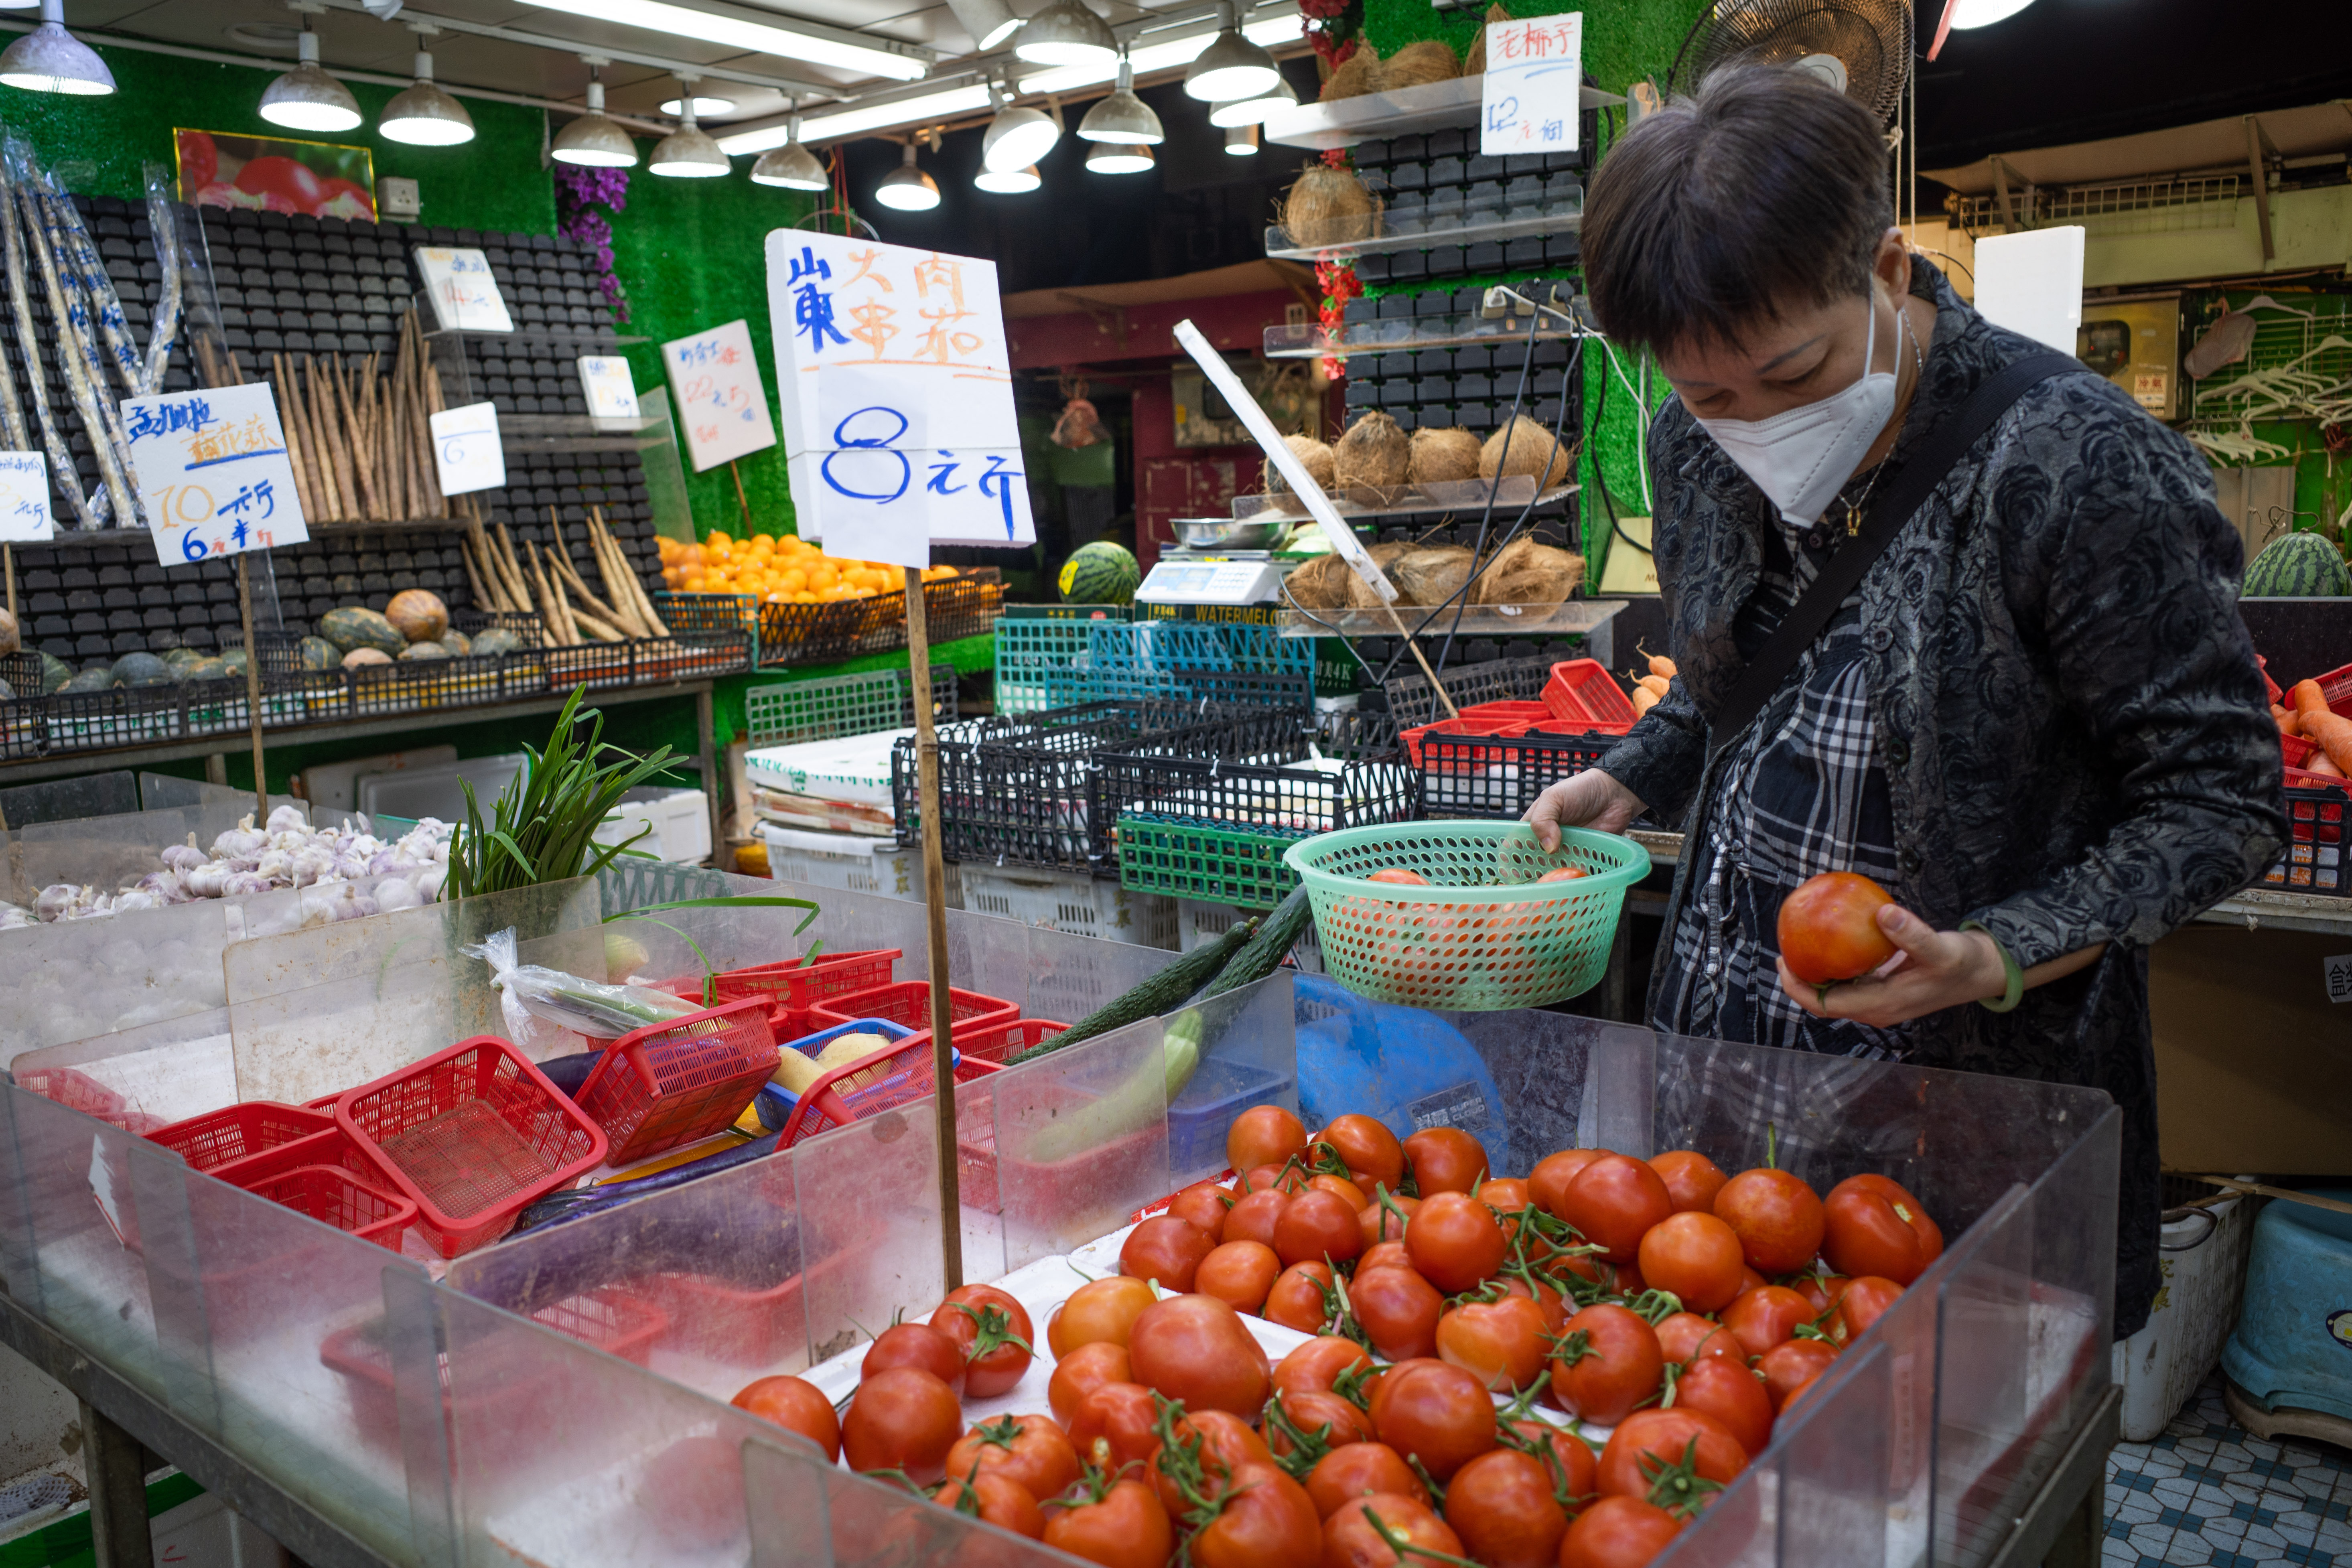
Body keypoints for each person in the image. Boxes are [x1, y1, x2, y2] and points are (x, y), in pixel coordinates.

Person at [1524, 65, 2284, 1337]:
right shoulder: (1690, 448)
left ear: (1883, 272)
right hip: (1725, 1057)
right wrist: (1637, 768)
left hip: (1968, 1099)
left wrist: (1998, 955)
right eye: (1707, 395)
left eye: (1793, 371)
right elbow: (1733, 674)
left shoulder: (2075, 460)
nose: (1752, 424)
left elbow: (2222, 800)